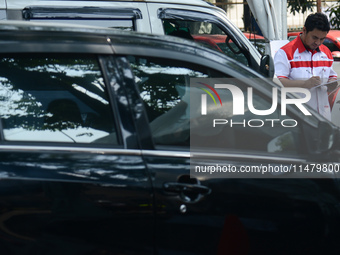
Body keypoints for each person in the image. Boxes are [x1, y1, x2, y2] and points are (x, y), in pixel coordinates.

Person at [274, 12, 338, 120]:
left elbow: (332, 76)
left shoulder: (326, 52)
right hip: (297, 117)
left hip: (324, 117)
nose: (318, 42)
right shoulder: (285, 53)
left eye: (322, 39)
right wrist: (305, 84)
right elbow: (278, 83)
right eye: (314, 37)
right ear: (304, 30)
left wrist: (332, 84)